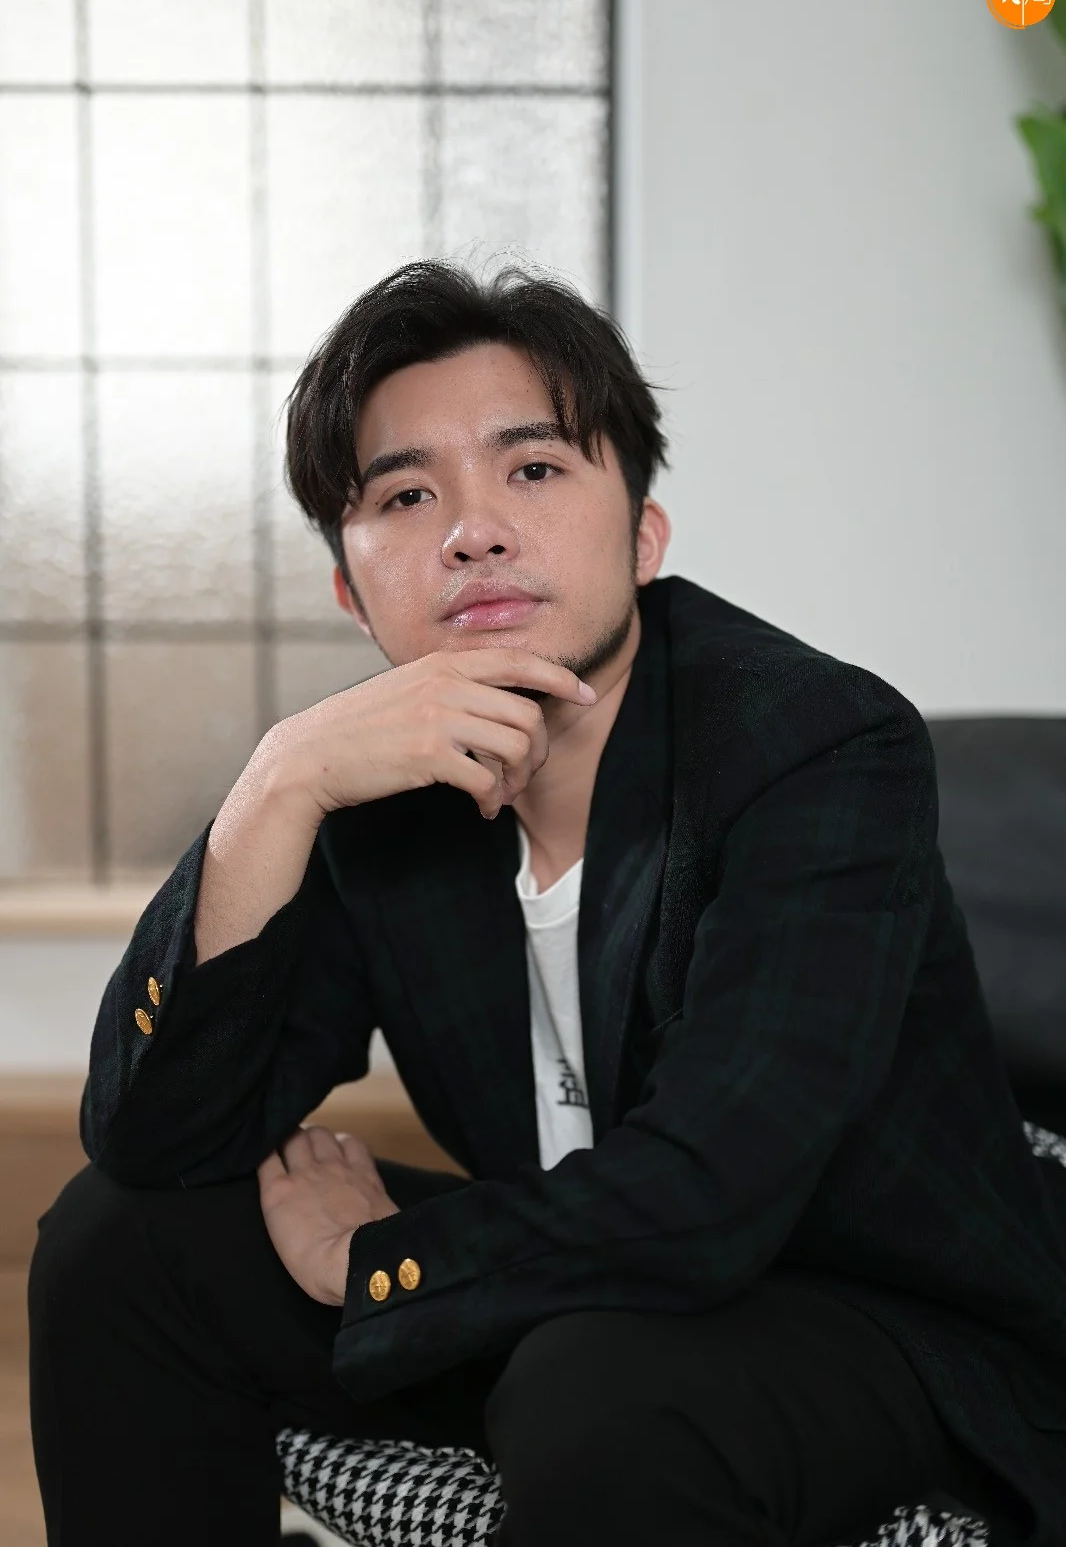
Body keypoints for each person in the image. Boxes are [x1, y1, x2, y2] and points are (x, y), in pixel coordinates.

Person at [28, 262, 1066, 1547]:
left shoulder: (816, 746)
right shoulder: (381, 782)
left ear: (644, 534)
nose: (473, 531)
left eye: (532, 469)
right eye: (406, 495)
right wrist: (275, 786)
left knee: (605, 1390)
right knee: (118, 1245)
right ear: (351, 588)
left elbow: (714, 1191)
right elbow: (158, 1139)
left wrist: (368, 1263)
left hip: (868, 1314)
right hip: (571, 1285)